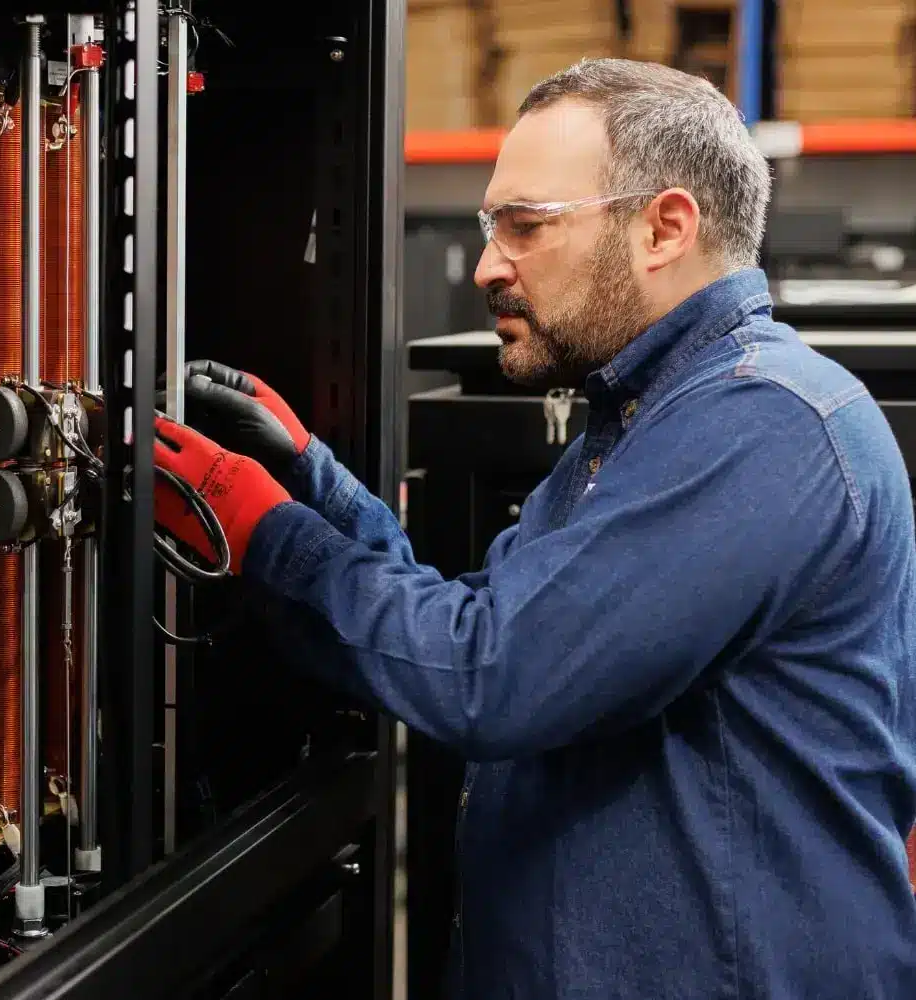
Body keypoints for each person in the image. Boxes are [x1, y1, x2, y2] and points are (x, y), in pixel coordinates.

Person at [152, 58, 916, 998]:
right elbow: (490, 620)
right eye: (489, 227)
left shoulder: (763, 425)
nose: (485, 265)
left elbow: (494, 678)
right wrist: (313, 484)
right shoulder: (641, 420)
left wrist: (269, 533)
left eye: (525, 225)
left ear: (664, 228)